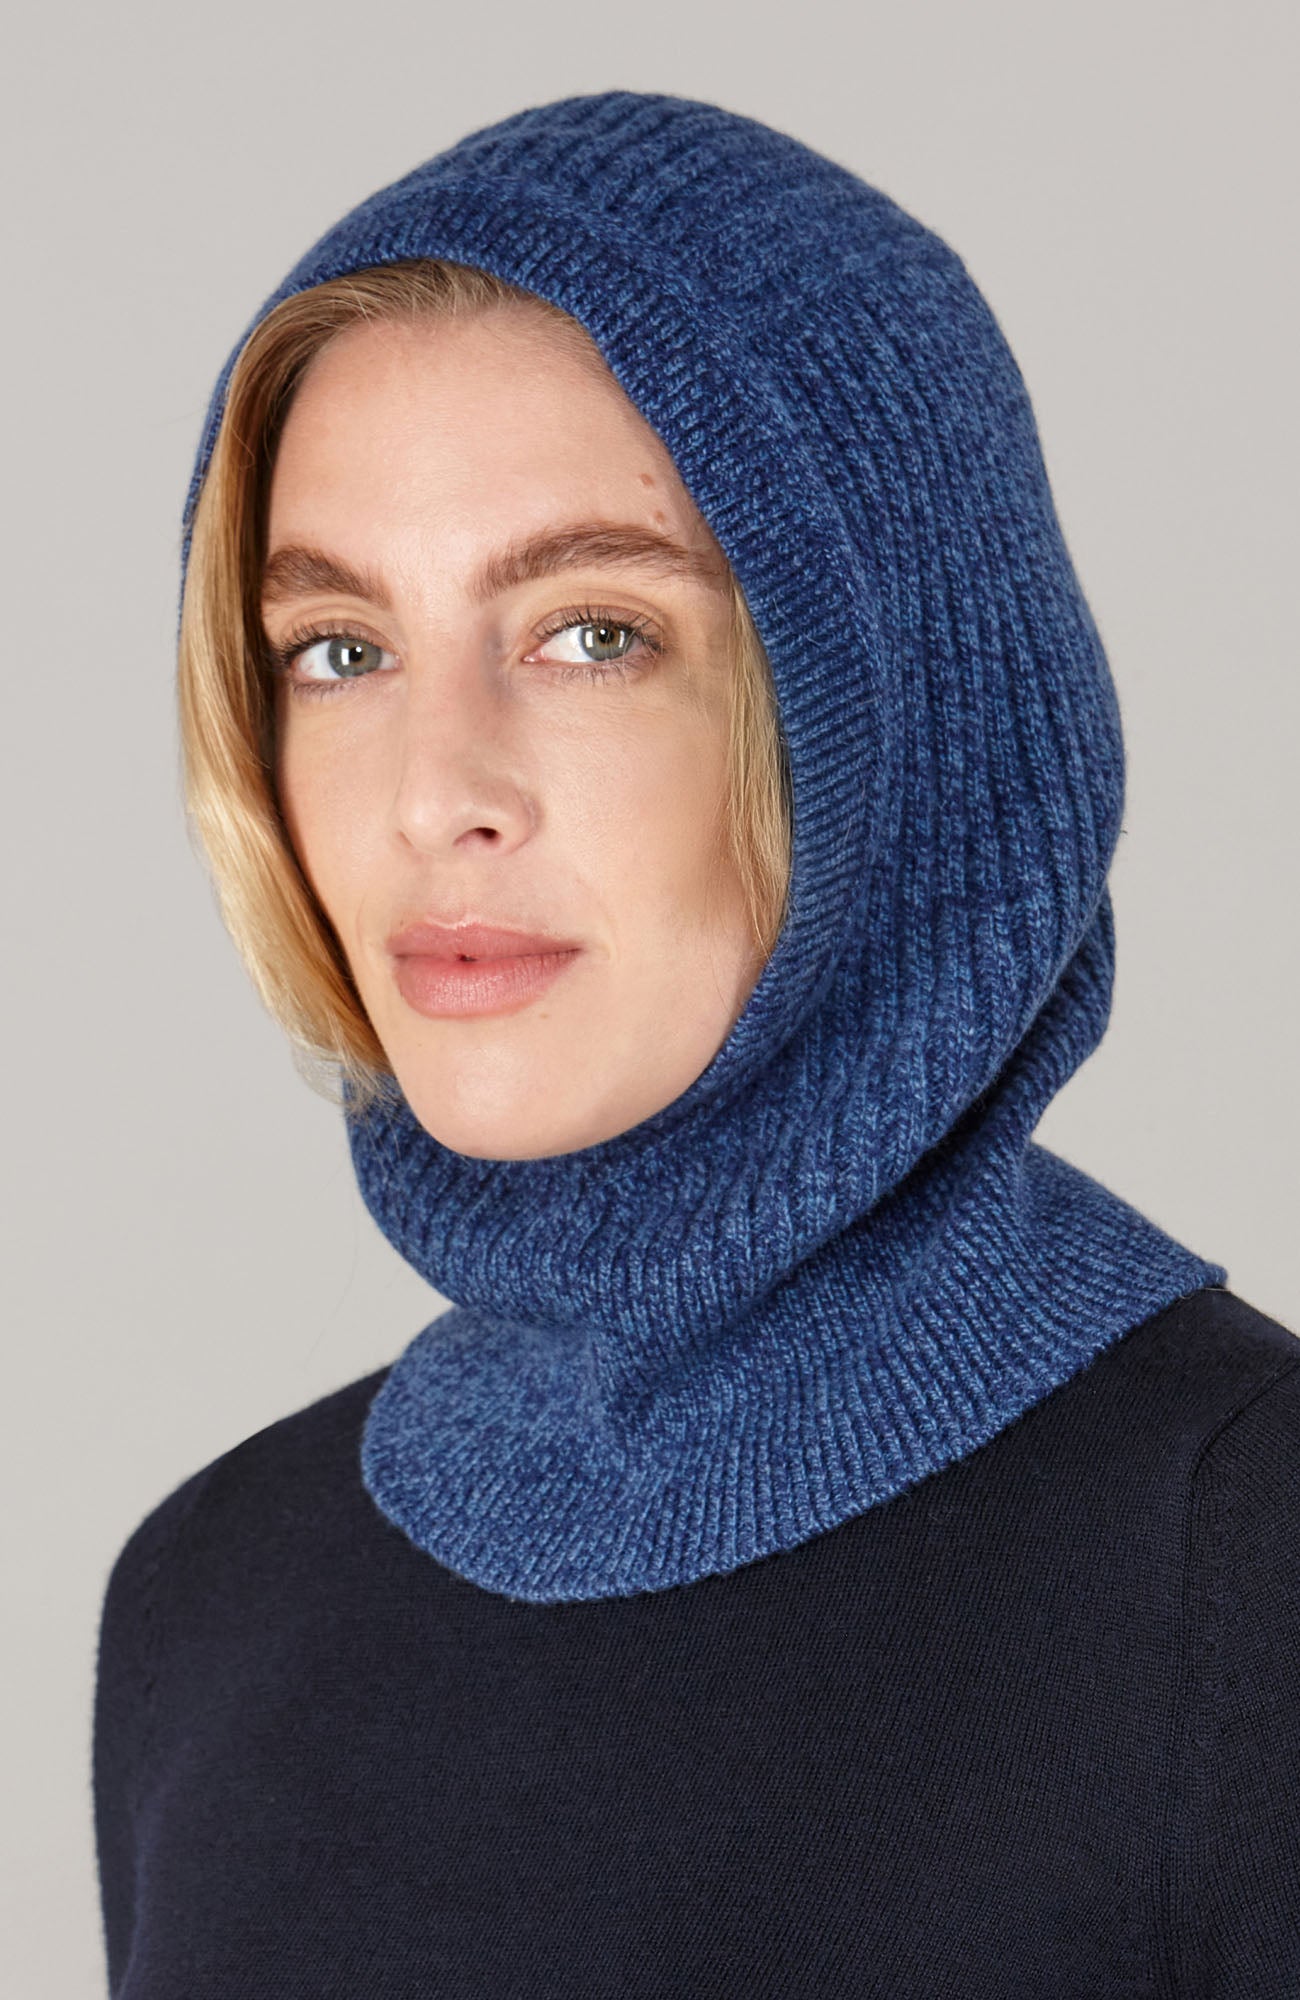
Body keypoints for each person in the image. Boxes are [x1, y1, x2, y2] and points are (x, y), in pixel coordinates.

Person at [91, 90, 1299, 1995]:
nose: (434, 794)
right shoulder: (210, 1601)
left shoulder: (1247, 1566)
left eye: (593, 633)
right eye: (340, 649)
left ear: (900, 701)